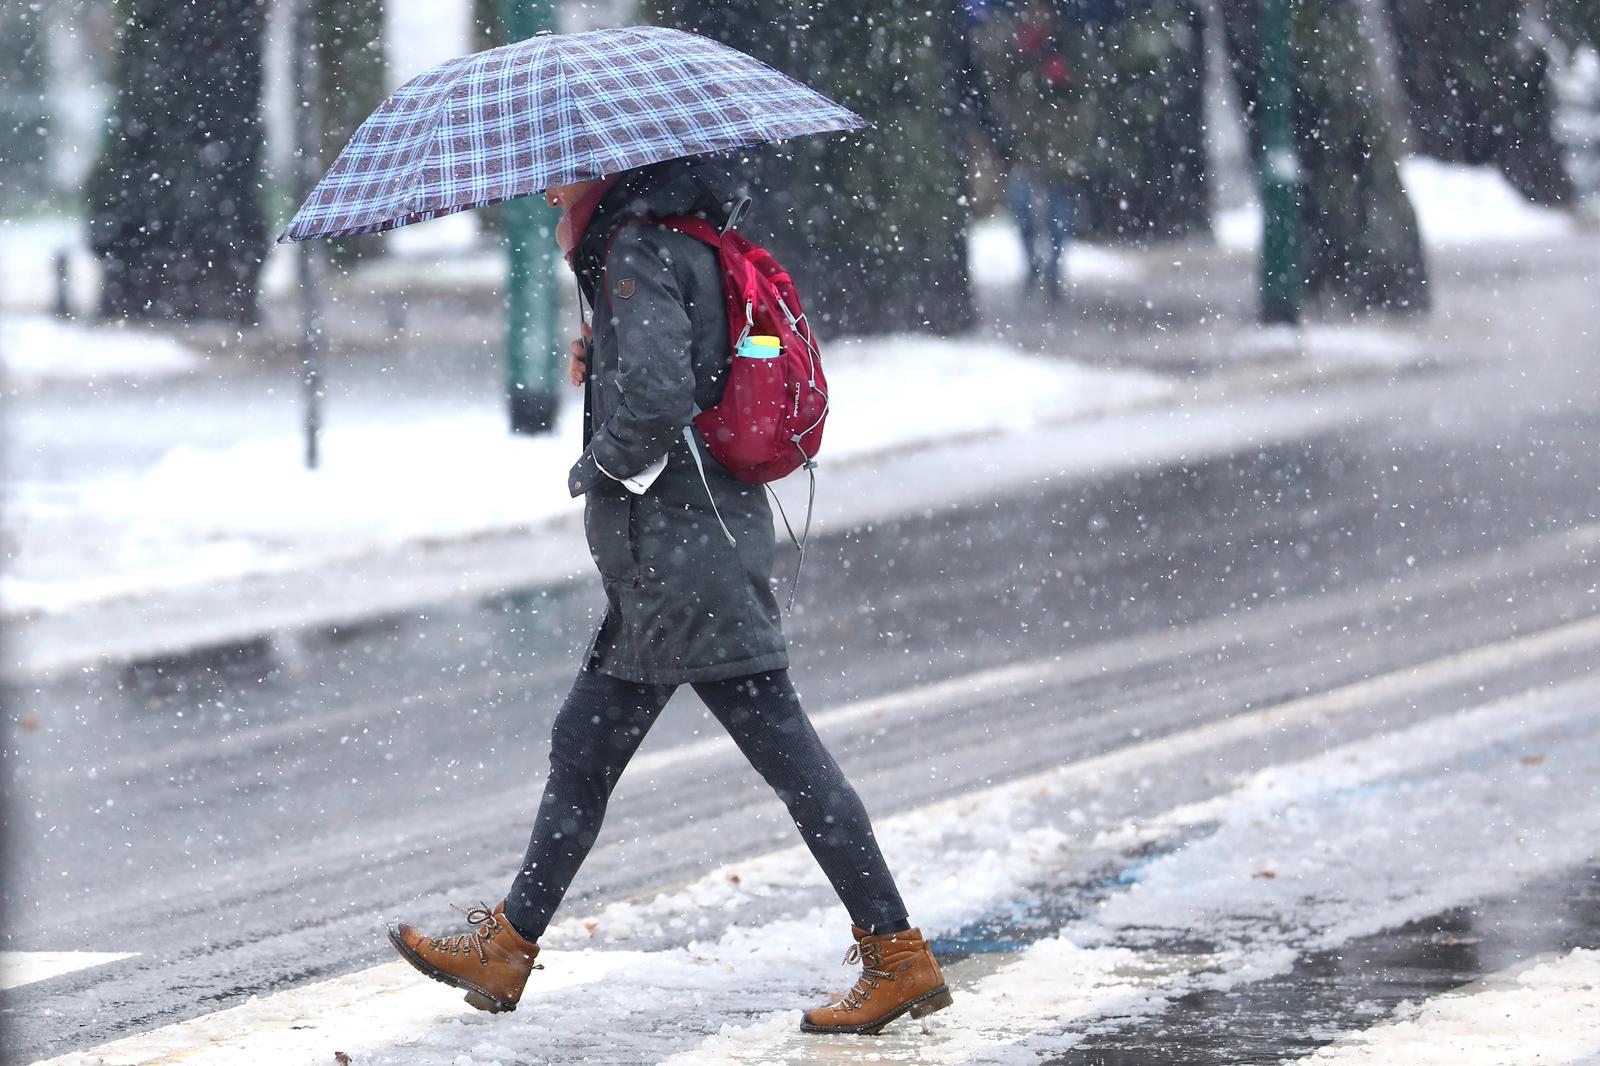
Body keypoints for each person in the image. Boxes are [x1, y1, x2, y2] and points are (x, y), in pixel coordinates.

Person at [386, 155, 952, 1036]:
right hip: (682, 553)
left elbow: (661, 394)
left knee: (786, 754)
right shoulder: (678, 239)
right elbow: (693, 363)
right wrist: (606, 355)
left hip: (684, 559)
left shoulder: (636, 251)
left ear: (604, 175)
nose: (546, 189)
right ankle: (507, 946)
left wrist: (597, 462)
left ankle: (897, 954)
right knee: (584, 745)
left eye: (560, 174)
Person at [975, 0, 1098, 302]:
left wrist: (1064, 78)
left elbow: (1086, 91)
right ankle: (1032, 265)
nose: (1036, 16)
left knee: (1059, 212)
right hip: (1024, 142)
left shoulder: (1068, 44)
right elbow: (999, 89)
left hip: (1059, 142)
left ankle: (1054, 271)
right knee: (1023, 209)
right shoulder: (1015, 48)